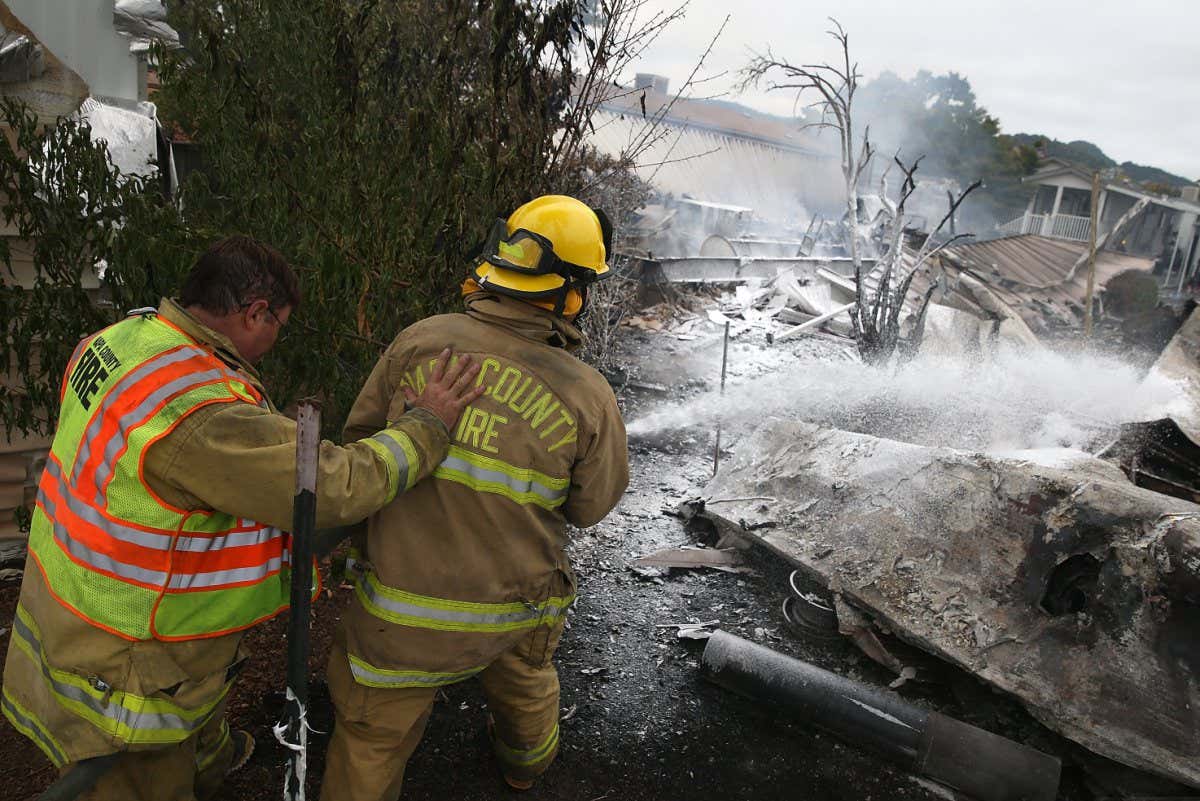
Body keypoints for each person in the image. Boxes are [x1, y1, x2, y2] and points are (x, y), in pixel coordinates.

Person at [1, 235, 483, 801]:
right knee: (139, 777)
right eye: (278, 324)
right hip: (131, 660)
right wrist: (426, 425)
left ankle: (211, 757)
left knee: (189, 720)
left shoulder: (124, 340)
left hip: (72, 601)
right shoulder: (202, 409)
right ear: (255, 312)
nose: (277, 340)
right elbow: (333, 486)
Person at [321, 195, 629, 800]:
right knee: (527, 689)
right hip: (512, 612)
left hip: (397, 613)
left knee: (369, 744)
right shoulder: (586, 395)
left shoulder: (417, 343)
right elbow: (591, 508)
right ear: (572, 292)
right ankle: (524, 769)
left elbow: (359, 449)